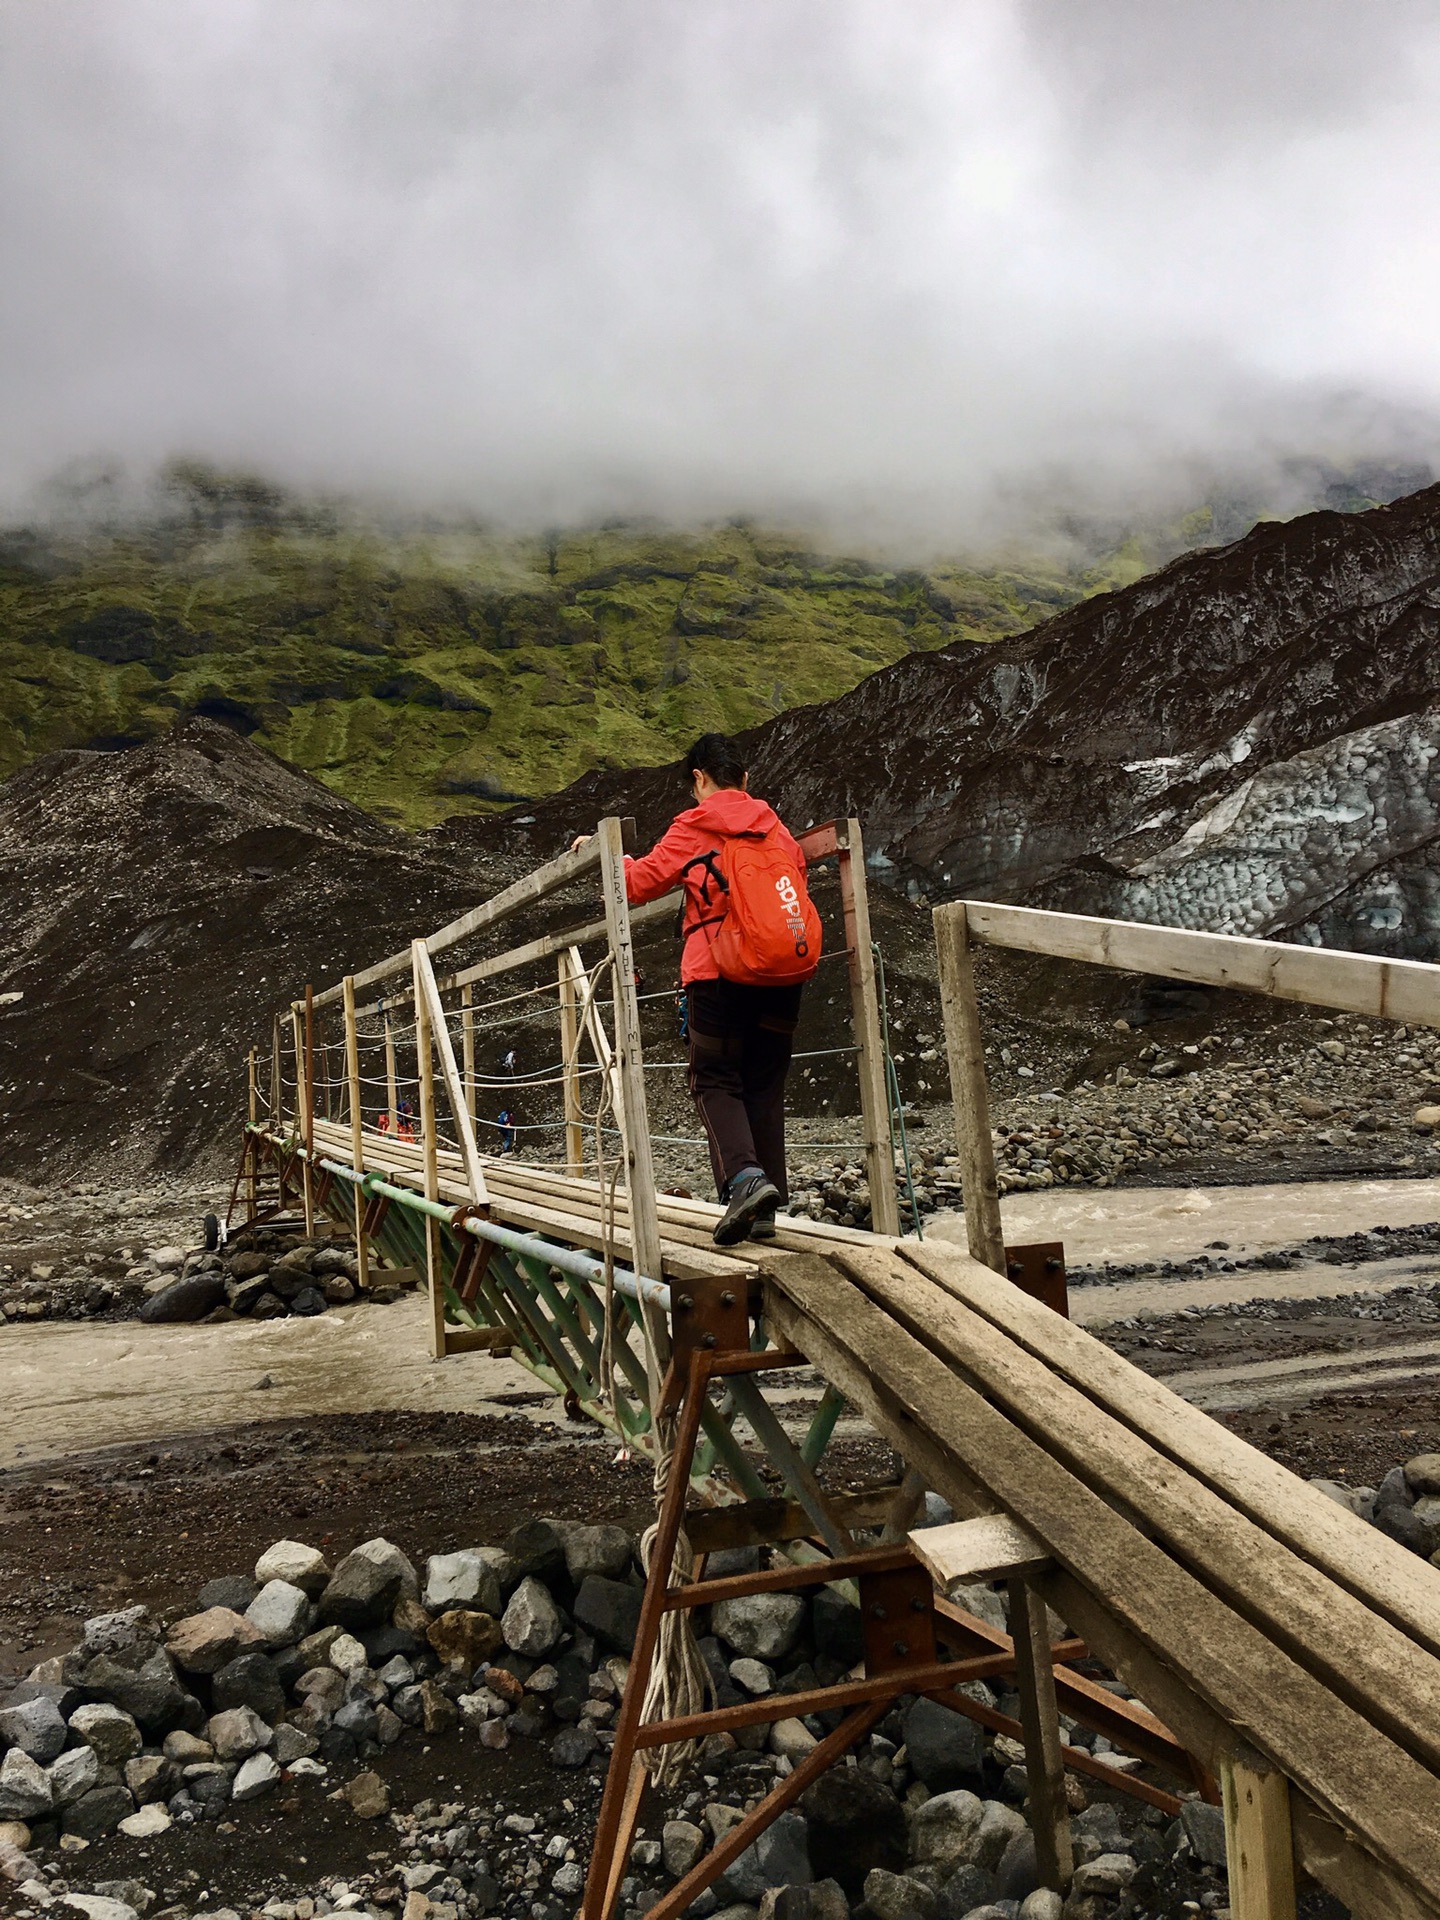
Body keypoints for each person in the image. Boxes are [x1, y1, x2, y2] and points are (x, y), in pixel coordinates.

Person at [573, 733, 819, 1246]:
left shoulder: (694, 826)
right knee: (764, 1083)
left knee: (714, 1079)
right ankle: (765, 1210)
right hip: (781, 974)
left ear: (698, 779)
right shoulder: (777, 830)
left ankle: (746, 1181)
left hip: (717, 974)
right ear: (746, 780)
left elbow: (638, 883)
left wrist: (601, 855)